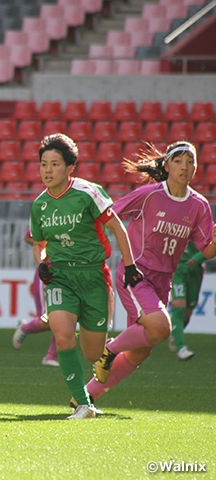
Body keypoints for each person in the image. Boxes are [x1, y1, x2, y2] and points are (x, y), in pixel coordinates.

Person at [88, 141, 216, 402]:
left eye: (189, 161)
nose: (184, 166)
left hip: (163, 280)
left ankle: (85, 398)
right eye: (178, 161)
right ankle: (109, 351)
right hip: (136, 274)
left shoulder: (199, 205)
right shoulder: (149, 194)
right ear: (167, 165)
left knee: (140, 352)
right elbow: (111, 215)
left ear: (195, 169)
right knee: (160, 328)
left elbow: (207, 249)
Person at [29, 133, 142, 419]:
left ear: (70, 169)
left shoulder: (88, 193)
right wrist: (42, 263)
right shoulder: (39, 206)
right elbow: (39, 245)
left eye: (55, 164)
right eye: (44, 164)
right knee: (63, 335)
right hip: (61, 277)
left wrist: (129, 267)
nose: (48, 170)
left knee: (93, 354)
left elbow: (117, 227)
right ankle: (83, 404)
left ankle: (103, 358)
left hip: (93, 277)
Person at [12, 229, 59, 367]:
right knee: (47, 319)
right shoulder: (45, 214)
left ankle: (51, 356)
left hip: (69, 272)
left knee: (68, 316)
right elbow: (27, 237)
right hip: (48, 271)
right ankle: (25, 328)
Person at [169, 241, 205, 360]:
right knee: (179, 309)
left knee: (187, 313)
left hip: (196, 270)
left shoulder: (205, 225)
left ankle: (176, 332)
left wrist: (199, 257)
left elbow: (212, 245)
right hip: (178, 270)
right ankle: (181, 348)